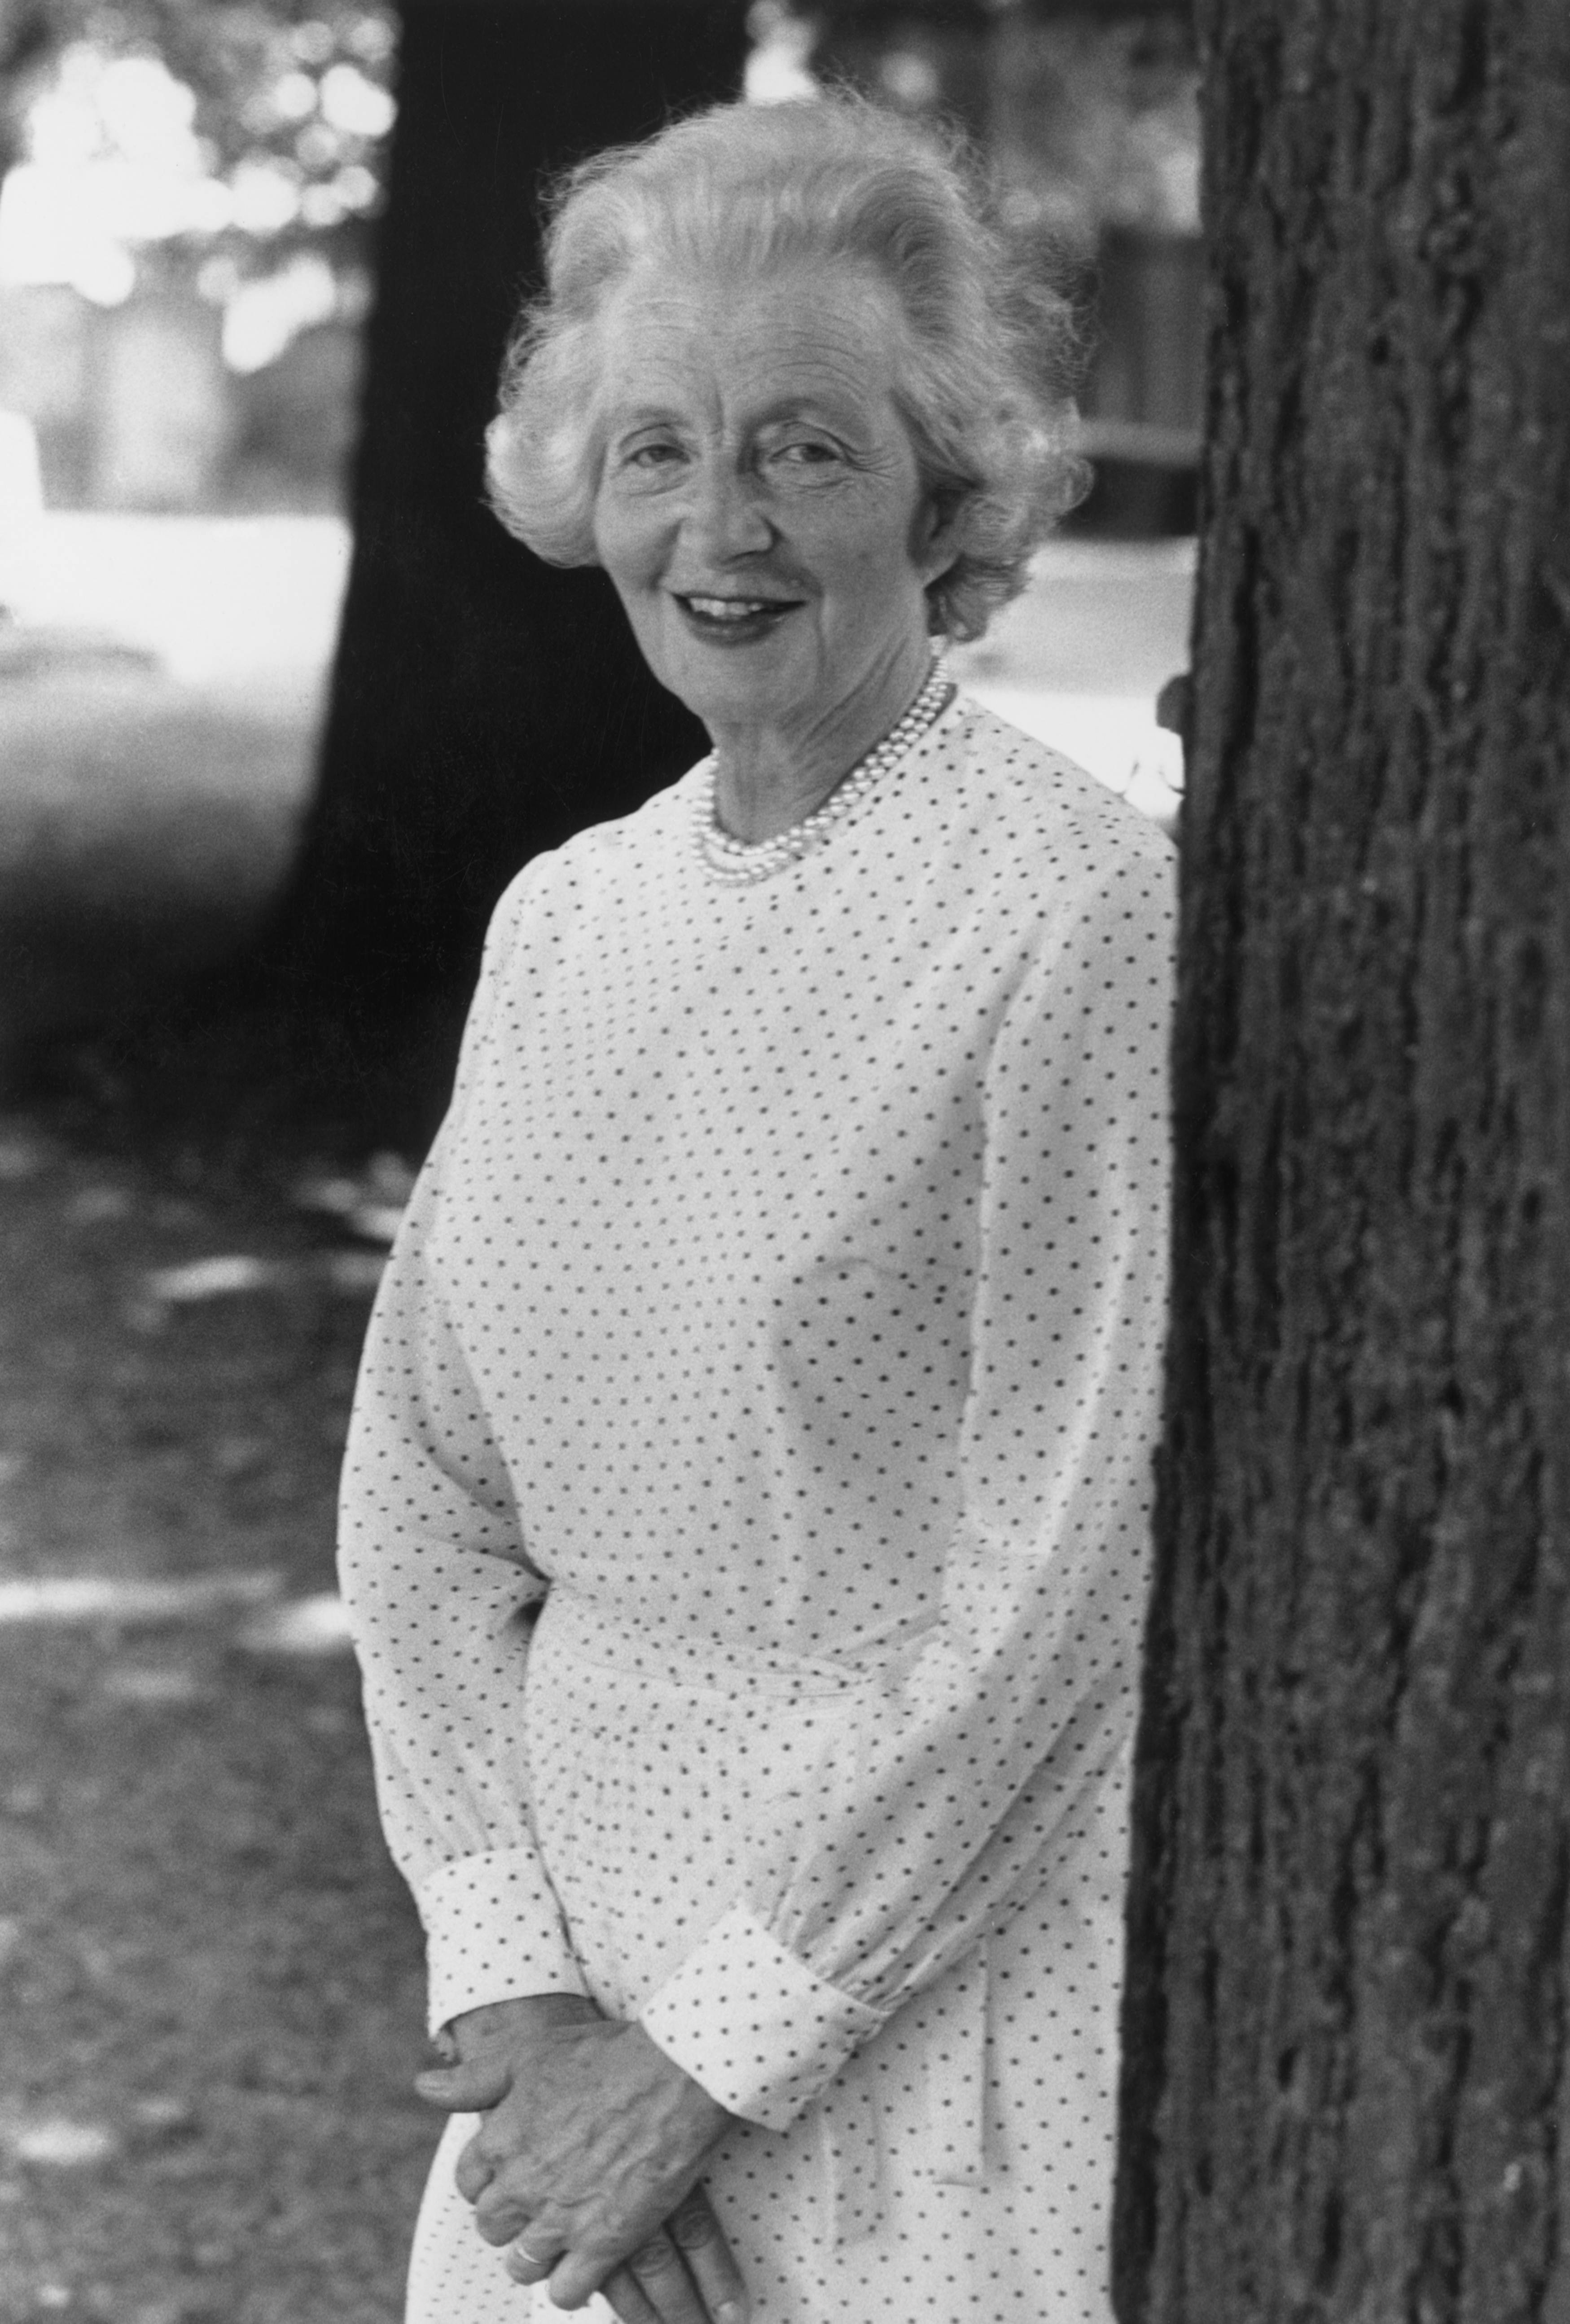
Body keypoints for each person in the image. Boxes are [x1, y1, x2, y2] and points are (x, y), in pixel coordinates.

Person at [338, 92, 1174, 2324]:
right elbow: (418, 1487)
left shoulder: (1067, 908)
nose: (721, 522)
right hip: (551, 2052)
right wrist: (516, 1993)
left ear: (942, 489)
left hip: (908, 2020)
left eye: (804, 446)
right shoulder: (564, 915)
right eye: (656, 448)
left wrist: (702, 2062)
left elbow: (1067, 1576)